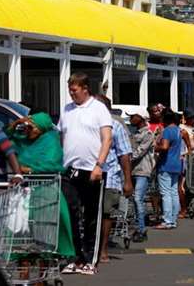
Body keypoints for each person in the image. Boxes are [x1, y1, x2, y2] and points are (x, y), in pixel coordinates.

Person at [58, 73, 112, 276]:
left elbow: (106, 139)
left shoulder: (98, 109)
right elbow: (63, 136)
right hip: (70, 169)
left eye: (75, 90)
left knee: (91, 216)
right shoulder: (67, 110)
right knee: (71, 215)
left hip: (92, 170)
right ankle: (75, 257)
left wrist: (99, 165)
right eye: (70, 90)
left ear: (85, 89)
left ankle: (90, 259)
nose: (72, 94)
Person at [5, 112, 76, 259]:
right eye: (28, 127)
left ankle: (48, 256)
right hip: (24, 189)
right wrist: (15, 125)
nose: (29, 130)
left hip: (45, 187)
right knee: (19, 224)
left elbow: (52, 164)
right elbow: (4, 140)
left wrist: (27, 169)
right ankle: (20, 255)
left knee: (45, 225)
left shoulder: (51, 141)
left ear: (42, 129)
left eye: (33, 128)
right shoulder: (23, 140)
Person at [94, 94, 133, 264]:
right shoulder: (85, 124)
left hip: (109, 176)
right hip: (86, 175)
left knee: (106, 213)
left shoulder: (115, 126)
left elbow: (124, 154)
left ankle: (102, 249)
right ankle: (88, 249)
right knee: (87, 214)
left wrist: (127, 180)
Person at [154, 110, 183, 229]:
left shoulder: (167, 131)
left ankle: (167, 220)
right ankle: (173, 219)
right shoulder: (178, 130)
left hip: (166, 164)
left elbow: (164, 146)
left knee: (166, 193)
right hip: (176, 164)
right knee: (173, 192)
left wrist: (156, 146)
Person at [129, 112, 155, 243]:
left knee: (138, 199)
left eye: (133, 116)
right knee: (134, 200)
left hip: (143, 170)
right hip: (133, 171)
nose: (130, 119)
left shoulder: (147, 134)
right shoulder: (134, 133)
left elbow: (139, 151)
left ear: (141, 118)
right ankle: (138, 226)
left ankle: (142, 229)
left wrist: (126, 159)